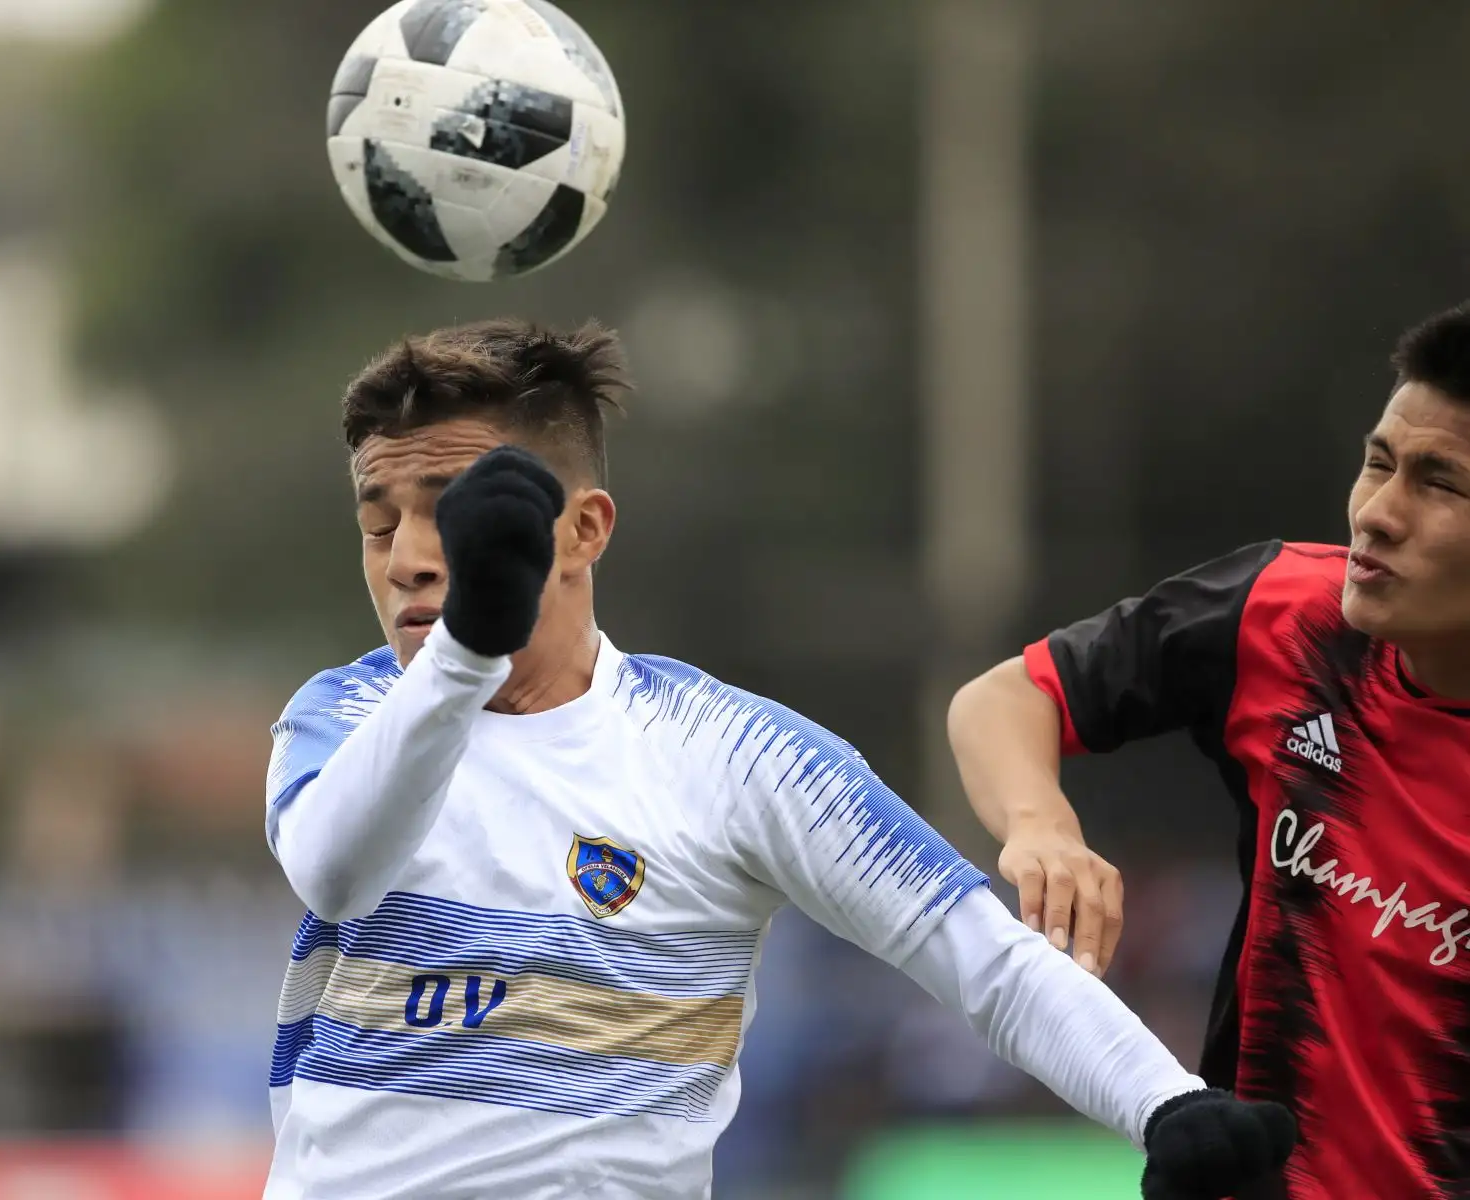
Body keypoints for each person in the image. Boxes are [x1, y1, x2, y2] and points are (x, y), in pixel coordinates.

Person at [262, 318, 1292, 1200]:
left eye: (450, 508)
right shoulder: (343, 716)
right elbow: (337, 873)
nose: (406, 556)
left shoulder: (735, 754)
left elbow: (983, 958)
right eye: (377, 521)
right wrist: (466, 653)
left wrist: (1168, 1107)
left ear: (582, 531)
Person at [948, 300, 1470, 1199]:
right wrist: (1043, 828)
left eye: (1439, 482)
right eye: (1378, 462)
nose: (1377, 515)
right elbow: (1003, 699)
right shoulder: (1286, 618)